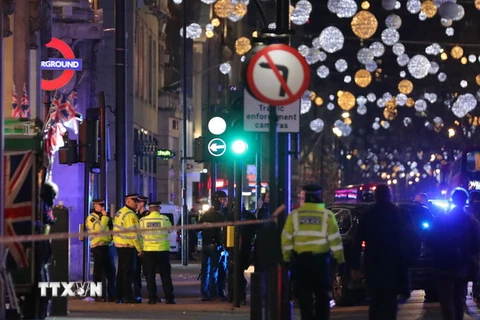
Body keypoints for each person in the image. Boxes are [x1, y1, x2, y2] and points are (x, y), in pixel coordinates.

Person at [281, 184, 345, 320]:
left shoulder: (295, 215)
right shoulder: (327, 215)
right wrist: (340, 260)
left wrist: (286, 259)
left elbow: (286, 239)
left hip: (301, 263)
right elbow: (335, 240)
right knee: (322, 297)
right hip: (321, 263)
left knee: (305, 299)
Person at [351, 184, 413, 320]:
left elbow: (357, 241)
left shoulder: (368, 214)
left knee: (375, 302)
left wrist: (355, 266)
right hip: (394, 264)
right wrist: (409, 260)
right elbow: (410, 238)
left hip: (373, 264)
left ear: (375, 196)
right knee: (391, 302)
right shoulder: (400, 213)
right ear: (390, 195)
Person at [426, 188, 480, 320]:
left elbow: (429, 240)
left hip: (443, 264)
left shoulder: (441, 219)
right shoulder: (471, 221)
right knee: (459, 300)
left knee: (446, 301)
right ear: (465, 201)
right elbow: (476, 245)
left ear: (452, 200)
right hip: (462, 265)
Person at [139, 201, 176, 305]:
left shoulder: (143, 220)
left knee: (150, 276)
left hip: (148, 251)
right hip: (162, 250)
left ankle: (152, 298)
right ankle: (169, 298)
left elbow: (140, 235)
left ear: (150, 209)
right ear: (158, 208)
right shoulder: (164, 219)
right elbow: (169, 230)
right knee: (165, 275)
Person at [113, 193, 143, 304]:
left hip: (119, 245)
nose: (137, 204)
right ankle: (128, 296)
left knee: (121, 272)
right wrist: (140, 249)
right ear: (128, 201)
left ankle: (119, 296)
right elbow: (134, 235)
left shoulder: (120, 212)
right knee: (128, 273)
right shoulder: (130, 215)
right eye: (135, 201)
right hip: (128, 246)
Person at [86, 199, 116, 302]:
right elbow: (100, 229)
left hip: (107, 246)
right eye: (100, 205)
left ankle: (111, 295)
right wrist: (104, 217)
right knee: (98, 273)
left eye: (103, 205)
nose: (103, 207)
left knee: (111, 272)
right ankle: (96, 295)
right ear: (95, 206)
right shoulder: (91, 218)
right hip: (97, 247)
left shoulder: (105, 217)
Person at [199, 191, 226, 301]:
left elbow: (198, 227)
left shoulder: (206, 214)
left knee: (205, 270)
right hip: (215, 246)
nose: (224, 201)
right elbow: (222, 231)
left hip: (206, 244)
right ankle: (213, 292)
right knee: (214, 270)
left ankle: (204, 292)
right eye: (222, 199)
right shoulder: (220, 215)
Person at [226, 205, 256, 304]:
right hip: (243, 248)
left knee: (234, 272)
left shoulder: (231, 216)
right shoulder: (249, 216)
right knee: (239, 272)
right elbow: (254, 231)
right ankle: (239, 295)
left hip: (235, 248)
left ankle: (233, 295)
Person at [133, 195, 149, 302]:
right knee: (136, 273)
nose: (136, 205)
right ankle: (137, 294)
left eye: (137, 203)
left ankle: (151, 294)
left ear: (142, 203)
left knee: (148, 272)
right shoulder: (135, 215)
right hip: (137, 248)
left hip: (147, 248)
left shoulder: (147, 216)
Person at [215, 191, 229, 300]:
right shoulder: (216, 212)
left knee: (222, 270)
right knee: (216, 269)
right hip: (217, 244)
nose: (223, 202)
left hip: (223, 244)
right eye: (221, 199)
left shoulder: (226, 212)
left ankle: (220, 290)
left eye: (224, 199)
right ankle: (216, 291)